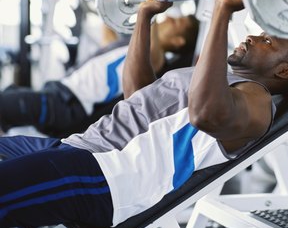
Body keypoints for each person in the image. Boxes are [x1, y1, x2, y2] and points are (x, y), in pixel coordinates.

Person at [0, 0, 288, 228]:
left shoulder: (257, 99)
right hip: (77, 148)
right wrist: (144, 17)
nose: (252, 37)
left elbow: (205, 114)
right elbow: (137, 93)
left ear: (283, 72)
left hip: (105, 176)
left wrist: (222, 12)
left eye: (267, 42)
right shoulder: (219, 78)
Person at [0, 15, 199, 137]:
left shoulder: (155, 61)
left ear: (178, 41)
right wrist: (111, 0)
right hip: (58, 92)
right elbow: (108, 40)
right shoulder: (131, 47)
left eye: (179, 22)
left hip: (67, 105)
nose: (172, 18)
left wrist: (151, 14)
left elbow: (152, 56)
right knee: (9, 99)